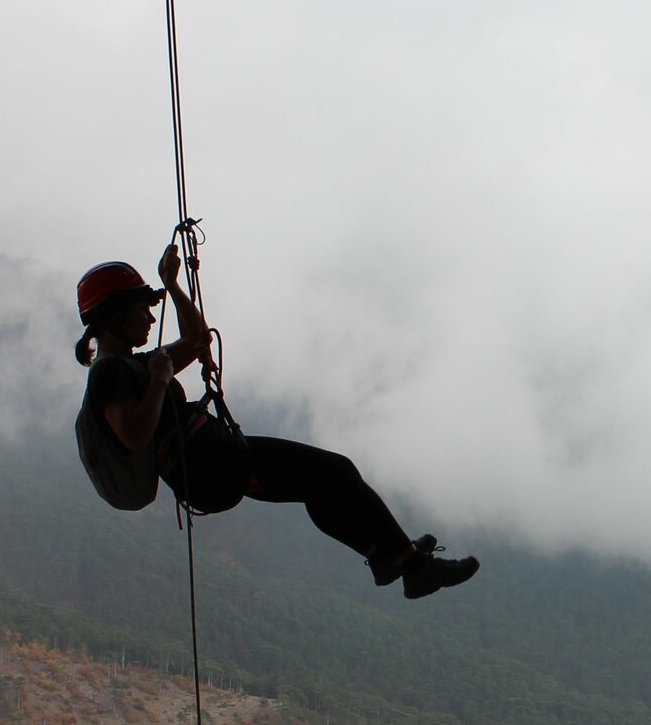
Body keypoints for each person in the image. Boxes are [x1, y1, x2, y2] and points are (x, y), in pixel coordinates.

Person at [73, 249, 479, 600]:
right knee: (336, 470)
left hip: (213, 466)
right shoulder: (111, 375)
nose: (149, 315)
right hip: (213, 464)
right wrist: (161, 380)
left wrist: (173, 285)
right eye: (141, 307)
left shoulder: (136, 365)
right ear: (113, 315)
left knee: (319, 487)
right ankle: (413, 567)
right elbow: (133, 435)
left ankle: (383, 555)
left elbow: (197, 341)